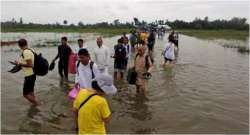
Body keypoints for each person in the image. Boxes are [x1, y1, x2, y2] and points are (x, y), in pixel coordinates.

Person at [14, 39, 39, 105]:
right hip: (32, 74)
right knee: (31, 91)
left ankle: (37, 104)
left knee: (25, 94)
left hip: (29, 75)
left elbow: (30, 65)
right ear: (26, 43)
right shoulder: (31, 50)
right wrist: (19, 63)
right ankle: (34, 103)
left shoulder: (25, 52)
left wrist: (19, 64)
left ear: (19, 45)